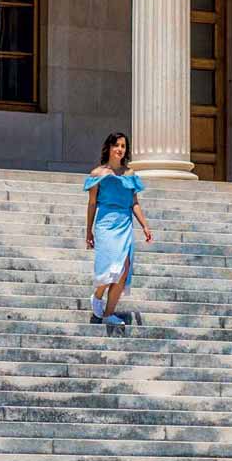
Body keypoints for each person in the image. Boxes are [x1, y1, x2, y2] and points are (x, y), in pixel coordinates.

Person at [84, 131, 153, 326]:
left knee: (124, 270)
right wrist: (88, 231)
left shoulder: (129, 174)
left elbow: (134, 202)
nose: (120, 150)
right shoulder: (97, 174)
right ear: (109, 147)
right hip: (106, 225)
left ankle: (108, 314)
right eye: (117, 145)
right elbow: (91, 204)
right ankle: (97, 295)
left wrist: (145, 226)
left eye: (123, 146)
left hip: (125, 224)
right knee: (109, 269)